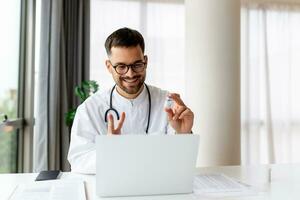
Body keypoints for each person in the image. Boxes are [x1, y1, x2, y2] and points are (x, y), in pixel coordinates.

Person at [67, 27, 194, 174]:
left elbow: (181, 163)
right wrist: (109, 151)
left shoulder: (167, 103)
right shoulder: (90, 108)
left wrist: (183, 135)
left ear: (145, 62)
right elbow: (78, 161)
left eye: (137, 65)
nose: (130, 73)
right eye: (121, 66)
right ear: (109, 66)